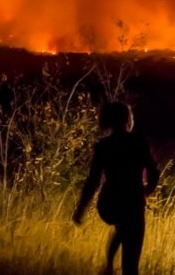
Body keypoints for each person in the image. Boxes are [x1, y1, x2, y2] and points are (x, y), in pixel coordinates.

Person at [72, 102, 159, 275]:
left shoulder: (103, 146)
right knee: (131, 262)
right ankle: (111, 266)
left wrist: (81, 208)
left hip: (109, 203)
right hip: (133, 202)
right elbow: (153, 172)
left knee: (122, 227)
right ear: (128, 119)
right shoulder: (139, 142)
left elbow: (93, 181)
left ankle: (109, 266)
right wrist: (146, 191)